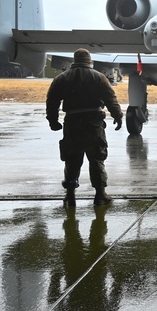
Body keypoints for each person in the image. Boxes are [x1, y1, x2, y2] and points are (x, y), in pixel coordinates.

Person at [46, 48, 123, 207]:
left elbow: (52, 101)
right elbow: (111, 99)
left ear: (74, 60)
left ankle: (70, 196)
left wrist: (53, 121)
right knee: (96, 159)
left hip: (72, 123)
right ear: (89, 61)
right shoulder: (99, 78)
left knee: (72, 160)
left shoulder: (62, 78)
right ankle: (100, 195)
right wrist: (118, 116)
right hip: (93, 124)